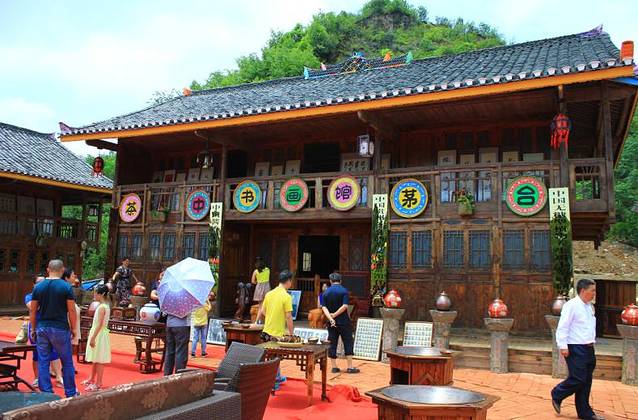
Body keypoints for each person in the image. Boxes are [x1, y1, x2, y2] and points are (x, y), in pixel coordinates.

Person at [551, 279, 604, 420]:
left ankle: (585, 412)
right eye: (592, 290)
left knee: (586, 381)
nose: (594, 293)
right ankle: (557, 393)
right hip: (575, 347)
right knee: (578, 379)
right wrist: (563, 346)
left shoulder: (589, 307)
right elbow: (563, 327)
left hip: (589, 347)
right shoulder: (571, 306)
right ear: (583, 290)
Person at [29, 260, 78, 397]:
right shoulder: (66, 287)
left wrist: (33, 329)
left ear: (48, 270)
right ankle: (70, 392)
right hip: (60, 327)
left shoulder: (39, 287)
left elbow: (33, 311)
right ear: (62, 270)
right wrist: (74, 329)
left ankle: (46, 392)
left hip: (42, 327)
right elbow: (71, 310)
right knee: (66, 361)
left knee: (43, 361)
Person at [255, 269, 294, 390]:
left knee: (272, 357)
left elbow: (262, 311)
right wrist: (291, 333)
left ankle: (278, 377)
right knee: (275, 358)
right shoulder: (286, 296)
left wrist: (272, 316)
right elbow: (288, 317)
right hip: (277, 333)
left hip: (266, 331)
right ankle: (274, 382)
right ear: (288, 281)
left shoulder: (269, 294)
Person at [25, 275, 63, 388]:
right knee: (36, 353)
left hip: (50, 326)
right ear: (34, 285)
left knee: (54, 351)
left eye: (44, 283)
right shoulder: (29, 296)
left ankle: (59, 377)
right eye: (39, 283)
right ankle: (37, 378)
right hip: (35, 327)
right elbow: (33, 307)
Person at [321, 272, 359, 374]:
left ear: (330, 281)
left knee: (332, 342)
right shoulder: (344, 291)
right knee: (348, 341)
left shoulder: (325, 292)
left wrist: (331, 318)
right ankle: (350, 366)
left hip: (331, 322)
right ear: (340, 281)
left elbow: (324, 307)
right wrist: (335, 315)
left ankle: (334, 367)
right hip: (344, 321)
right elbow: (345, 306)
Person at [82, 284, 111, 392]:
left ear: (102, 294)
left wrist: (93, 337)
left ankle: (98, 383)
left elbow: (99, 324)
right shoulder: (104, 306)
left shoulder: (102, 307)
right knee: (96, 358)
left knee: (99, 360)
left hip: (99, 334)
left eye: (96, 292)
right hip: (99, 333)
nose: (94, 294)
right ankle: (91, 379)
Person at [163, 309, 191, 375]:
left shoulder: (168, 302)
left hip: (170, 325)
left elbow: (164, 313)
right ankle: (179, 374)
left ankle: (167, 374)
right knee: (181, 351)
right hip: (182, 325)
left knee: (169, 351)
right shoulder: (185, 302)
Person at [62, 268, 82, 355]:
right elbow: (71, 310)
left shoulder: (70, 288)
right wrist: (73, 328)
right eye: (73, 275)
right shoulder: (66, 289)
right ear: (66, 278)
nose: (75, 277)